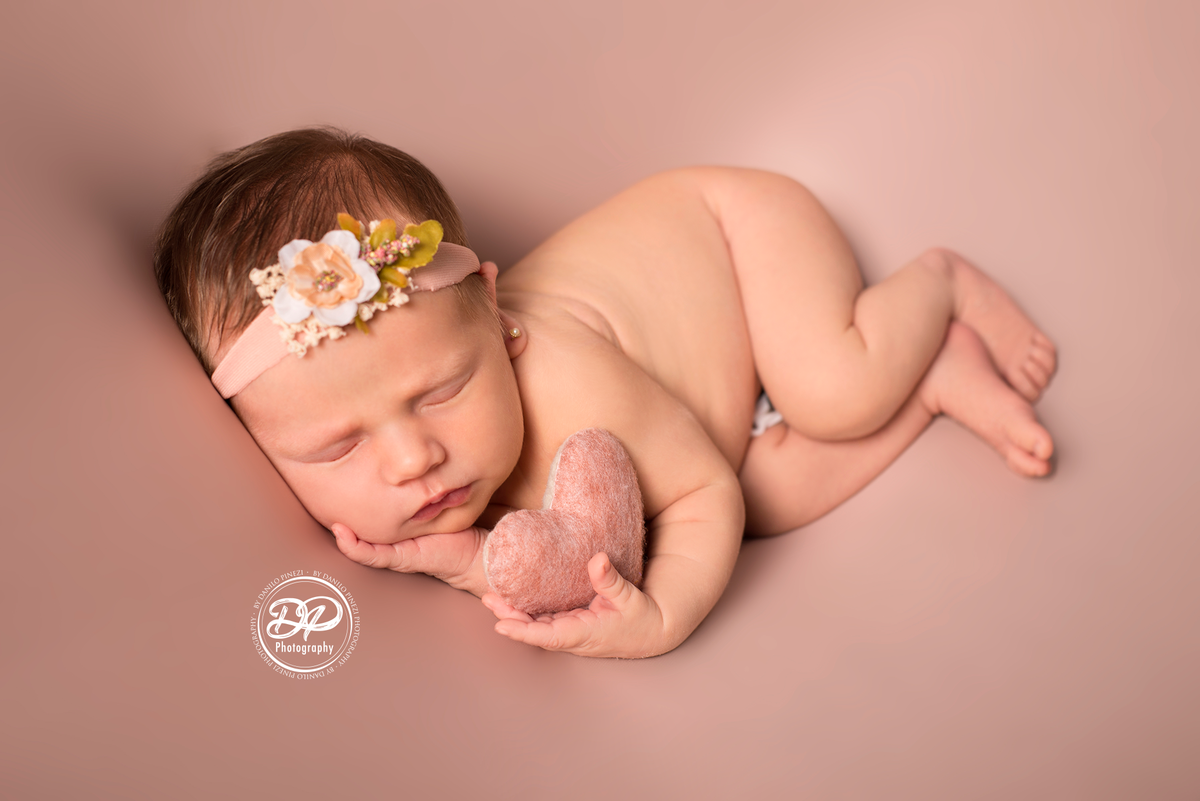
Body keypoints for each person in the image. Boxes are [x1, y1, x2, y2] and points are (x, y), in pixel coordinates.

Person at [154, 127, 1056, 659]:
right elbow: (544, 544)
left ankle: (934, 288)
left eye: (443, 390)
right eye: (337, 447)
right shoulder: (432, 452)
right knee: (773, 497)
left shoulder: (565, 379)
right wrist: (467, 561)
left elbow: (707, 491)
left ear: (498, 322)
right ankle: (932, 379)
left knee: (825, 399)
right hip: (697, 405)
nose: (412, 457)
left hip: (737, 241)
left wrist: (657, 616)